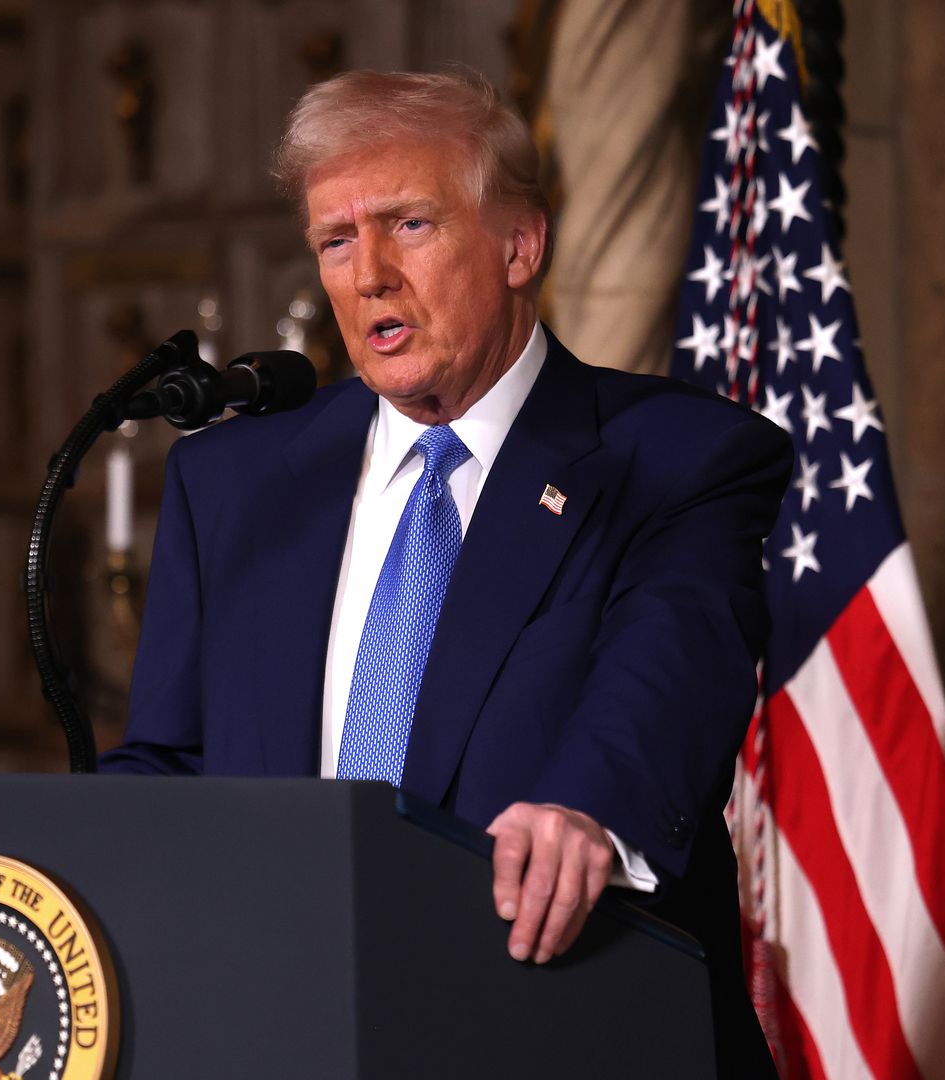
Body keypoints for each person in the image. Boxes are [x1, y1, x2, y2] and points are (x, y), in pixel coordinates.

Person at [101, 70, 790, 1071]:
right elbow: (167, 765)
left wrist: (589, 807)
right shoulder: (235, 482)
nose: (366, 272)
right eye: (335, 239)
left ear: (520, 246)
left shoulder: (674, 459)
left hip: (559, 1036)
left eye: (408, 224)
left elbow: (671, 672)